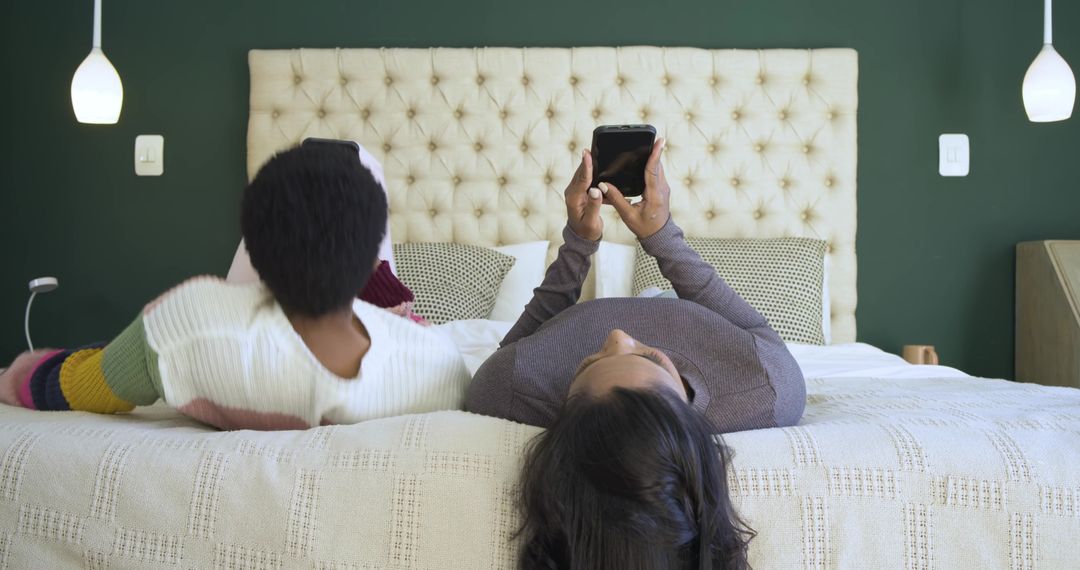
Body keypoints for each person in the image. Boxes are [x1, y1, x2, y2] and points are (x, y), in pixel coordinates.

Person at [466, 138, 806, 569]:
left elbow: (514, 348)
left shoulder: (511, 385)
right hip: (682, 304)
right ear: (687, 418)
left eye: (591, 361)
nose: (618, 335)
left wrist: (579, 243)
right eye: (649, 359)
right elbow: (756, 330)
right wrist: (660, 235)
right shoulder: (766, 386)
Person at [0, 143, 468, 430]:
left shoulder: (185, 326)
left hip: (196, 342)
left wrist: (16, 372)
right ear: (374, 258)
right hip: (381, 315)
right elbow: (429, 351)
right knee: (365, 164)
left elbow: (76, 384)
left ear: (254, 252)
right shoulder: (439, 367)